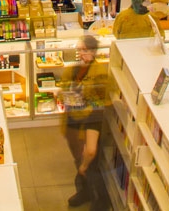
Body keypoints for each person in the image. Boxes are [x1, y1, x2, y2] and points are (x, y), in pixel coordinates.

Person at [62, 34, 110, 209]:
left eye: (85, 50)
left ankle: (99, 201)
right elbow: (67, 87)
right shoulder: (76, 69)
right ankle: (84, 192)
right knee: (79, 160)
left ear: (94, 52)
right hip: (74, 122)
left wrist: (85, 102)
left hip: (90, 120)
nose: (81, 53)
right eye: (80, 50)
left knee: (90, 166)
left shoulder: (99, 74)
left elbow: (102, 100)